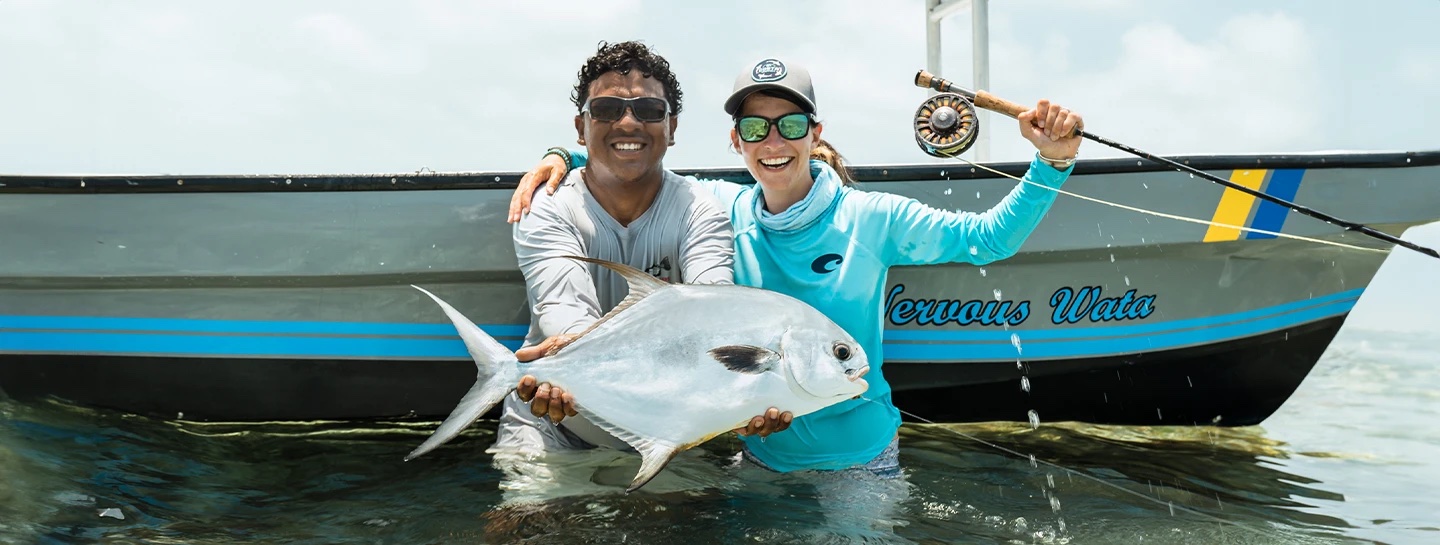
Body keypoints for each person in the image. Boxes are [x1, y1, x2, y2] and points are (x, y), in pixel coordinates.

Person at [510, 58, 1083, 478]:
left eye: (789, 124)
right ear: (737, 141)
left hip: (862, 457)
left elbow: (986, 241)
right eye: (756, 128)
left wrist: (1050, 163)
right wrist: (568, 153)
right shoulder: (720, 206)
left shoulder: (873, 216)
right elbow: (633, 157)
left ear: (815, 133)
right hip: (758, 454)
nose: (773, 140)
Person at [495, 41, 791, 460]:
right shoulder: (545, 203)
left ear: (671, 128)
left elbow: (715, 312)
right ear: (581, 127)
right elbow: (565, 312)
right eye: (607, 110)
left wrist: (746, 394)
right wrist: (564, 368)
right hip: (553, 422)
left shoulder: (700, 210)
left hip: (673, 432)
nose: (628, 123)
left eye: (650, 111)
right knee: (517, 527)